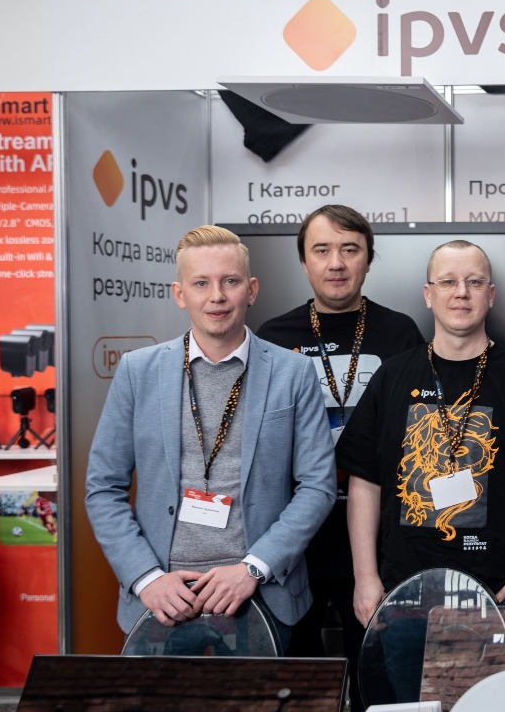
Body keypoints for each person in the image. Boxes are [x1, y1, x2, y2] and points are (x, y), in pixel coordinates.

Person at [86, 225, 336, 647]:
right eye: (201, 283)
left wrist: (254, 567)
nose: (216, 296)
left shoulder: (293, 373)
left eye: (230, 281)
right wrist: (146, 578)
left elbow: (317, 486)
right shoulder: (137, 372)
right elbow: (102, 489)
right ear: (180, 293)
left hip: (259, 593)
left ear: (251, 290)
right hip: (163, 598)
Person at [337, 240, 505, 625]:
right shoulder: (392, 376)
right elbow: (364, 482)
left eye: (474, 282)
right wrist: (365, 577)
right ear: (428, 295)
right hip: (403, 592)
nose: (462, 292)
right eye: (448, 281)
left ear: (491, 295)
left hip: (500, 593)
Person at [257, 205, 423, 712]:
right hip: (294, 537)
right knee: (298, 678)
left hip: (374, 536)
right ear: (303, 261)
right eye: (322, 250)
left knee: (375, 672)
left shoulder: (400, 332)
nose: (336, 263)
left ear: (368, 261)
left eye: (350, 250)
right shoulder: (273, 337)